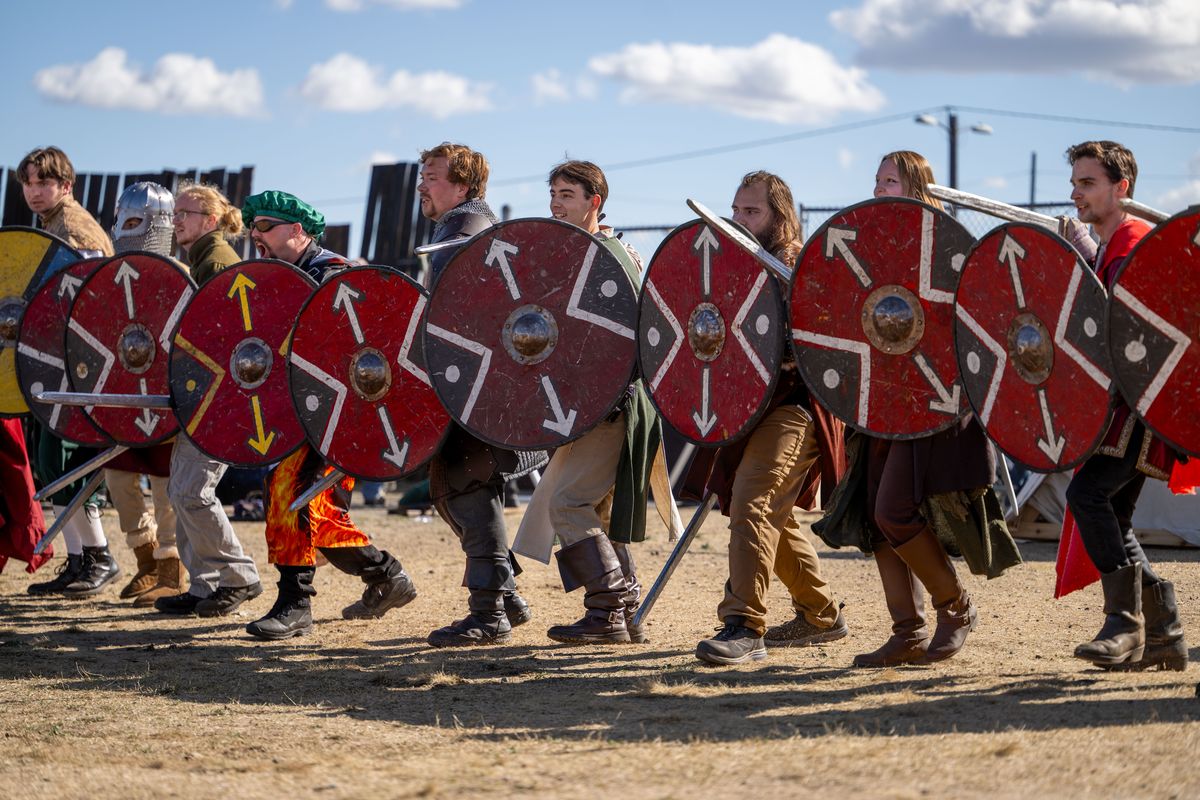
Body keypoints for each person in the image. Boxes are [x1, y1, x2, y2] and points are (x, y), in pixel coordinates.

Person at [813, 151, 1020, 667]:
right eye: (877, 180)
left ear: (919, 187)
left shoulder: (940, 247)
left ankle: (955, 608)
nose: (879, 189)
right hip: (882, 400)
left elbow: (972, 325)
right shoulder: (873, 249)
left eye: (891, 180)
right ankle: (906, 630)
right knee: (874, 515)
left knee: (893, 509)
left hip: (935, 403)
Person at [513, 160, 679, 644]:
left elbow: (620, 338)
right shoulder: (577, 253)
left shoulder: (611, 256)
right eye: (553, 194)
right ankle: (623, 612)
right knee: (599, 513)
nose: (555, 204)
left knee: (569, 503)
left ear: (594, 202)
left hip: (613, 403)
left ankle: (608, 609)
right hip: (587, 407)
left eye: (567, 194)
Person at [688, 171, 849, 665]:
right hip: (750, 406)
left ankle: (744, 626)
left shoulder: (797, 264)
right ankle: (821, 614)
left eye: (751, 212)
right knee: (763, 511)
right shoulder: (733, 265)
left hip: (797, 403)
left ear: (779, 216)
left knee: (753, 500)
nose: (738, 220)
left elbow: (820, 341)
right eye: (735, 210)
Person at [240, 191, 416, 640]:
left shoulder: (335, 275)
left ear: (298, 230)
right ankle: (386, 575)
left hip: (338, 414)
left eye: (265, 226)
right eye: (252, 228)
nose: (254, 235)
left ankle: (294, 603)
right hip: (295, 413)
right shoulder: (274, 277)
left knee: (288, 491)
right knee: (316, 513)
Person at [1064, 141, 1187, 671]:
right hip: (1121, 403)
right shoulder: (1116, 246)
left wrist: (1093, 255)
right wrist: (1086, 255)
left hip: (1138, 404)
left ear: (1123, 188)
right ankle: (1166, 632)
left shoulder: (1137, 243)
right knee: (1114, 513)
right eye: (1075, 183)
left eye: (1087, 183)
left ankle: (1127, 624)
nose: (1076, 193)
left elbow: (1137, 331)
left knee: (1088, 496)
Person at [418, 143, 545, 647]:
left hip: (479, 383)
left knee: (467, 484)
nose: (423, 186)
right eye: (422, 176)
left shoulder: (467, 232)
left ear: (463, 186)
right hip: (471, 380)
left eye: (432, 176)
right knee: (452, 488)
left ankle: (489, 610)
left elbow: (460, 316)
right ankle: (504, 596)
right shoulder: (456, 230)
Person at [152, 182, 264, 616]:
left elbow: (227, 337)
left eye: (186, 213)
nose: (176, 219)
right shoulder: (201, 260)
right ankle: (205, 583)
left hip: (219, 398)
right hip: (202, 396)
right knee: (182, 490)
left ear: (211, 222)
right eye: (175, 212)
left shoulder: (216, 263)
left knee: (192, 490)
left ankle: (238, 577)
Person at [17, 146, 120, 597]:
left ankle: (99, 556)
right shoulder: (51, 227)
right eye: (29, 183)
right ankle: (79, 560)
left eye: (45, 183)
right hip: (53, 364)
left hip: (79, 367)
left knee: (65, 464)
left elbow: (92, 304)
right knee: (49, 462)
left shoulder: (76, 231)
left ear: (65, 186)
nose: (35, 192)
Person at [99, 182, 182, 606]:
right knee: (118, 478)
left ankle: (171, 569)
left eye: (135, 222)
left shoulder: (179, 277)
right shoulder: (110, 277)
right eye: (121, 221)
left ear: (159, 226)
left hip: (167, 399)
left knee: (167, 484)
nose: (124, 231)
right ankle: (146, 561)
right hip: (124, 395)